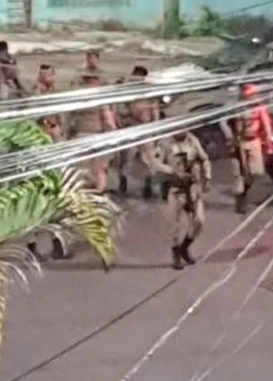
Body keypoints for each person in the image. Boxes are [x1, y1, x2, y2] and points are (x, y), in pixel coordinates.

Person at [27, 63, 69, 261]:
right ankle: (33, 244)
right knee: (37, 199)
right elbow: (36, 119)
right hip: (40, 151)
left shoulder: (55, 92)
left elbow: (60, 119)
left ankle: (56, 241)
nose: (49, 77)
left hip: (53, 149)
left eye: (51, 74)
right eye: (45, 74)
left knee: (56, 196)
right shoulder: (37, 94)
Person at [154, 131, 211, 270]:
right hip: (174, 188)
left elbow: (204, 158)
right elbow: (156, 163)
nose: (182, 130)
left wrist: (207, 176)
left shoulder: (193, 140)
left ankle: (185, 246)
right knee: (174, 224)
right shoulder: (164, 143)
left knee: (199, 221)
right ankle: (176, 254)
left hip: (192, 188)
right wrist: (172, 171)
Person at [116, 65, 161, 199]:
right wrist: (129, 114)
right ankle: (122, 184)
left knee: (149, 160)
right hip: (131, 127)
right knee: (126, 159)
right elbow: (119, 111)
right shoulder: (127, 91)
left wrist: (156, 129)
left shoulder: (150, 92)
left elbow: (155, 111)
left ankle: (148, 186)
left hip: (146, 129)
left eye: (141, 77)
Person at [69, 70, 118, 194]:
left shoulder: (76, 98)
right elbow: (109, 122)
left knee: (81, 172)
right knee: (99, 171)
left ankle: (83, 196)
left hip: (80, 137)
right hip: (94, 138)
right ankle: (98, 195)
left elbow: (69, 120)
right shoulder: (99, 99)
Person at [232, 83, 273, 214]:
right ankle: (241, 198)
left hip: (254, 140)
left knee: (257, 173)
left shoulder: (259, 106)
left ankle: (247, 191)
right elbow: (229, 124)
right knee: (243, 174)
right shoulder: (237, 107)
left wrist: (268, 140)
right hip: (241, 142)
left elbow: (266, 123)